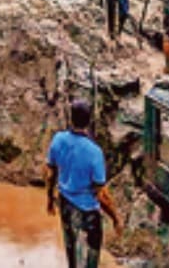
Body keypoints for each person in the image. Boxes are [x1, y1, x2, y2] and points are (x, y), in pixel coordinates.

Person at [45, 100, 123, 268]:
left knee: (70, 246)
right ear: (89, 121)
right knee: (92, 253)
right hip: (87, 211)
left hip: (65, 203)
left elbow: (50, 174)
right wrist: (115, 217)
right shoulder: (94, 152)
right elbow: (101, 194)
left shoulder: (58, 140)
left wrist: (50, 200)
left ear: (71, 118)